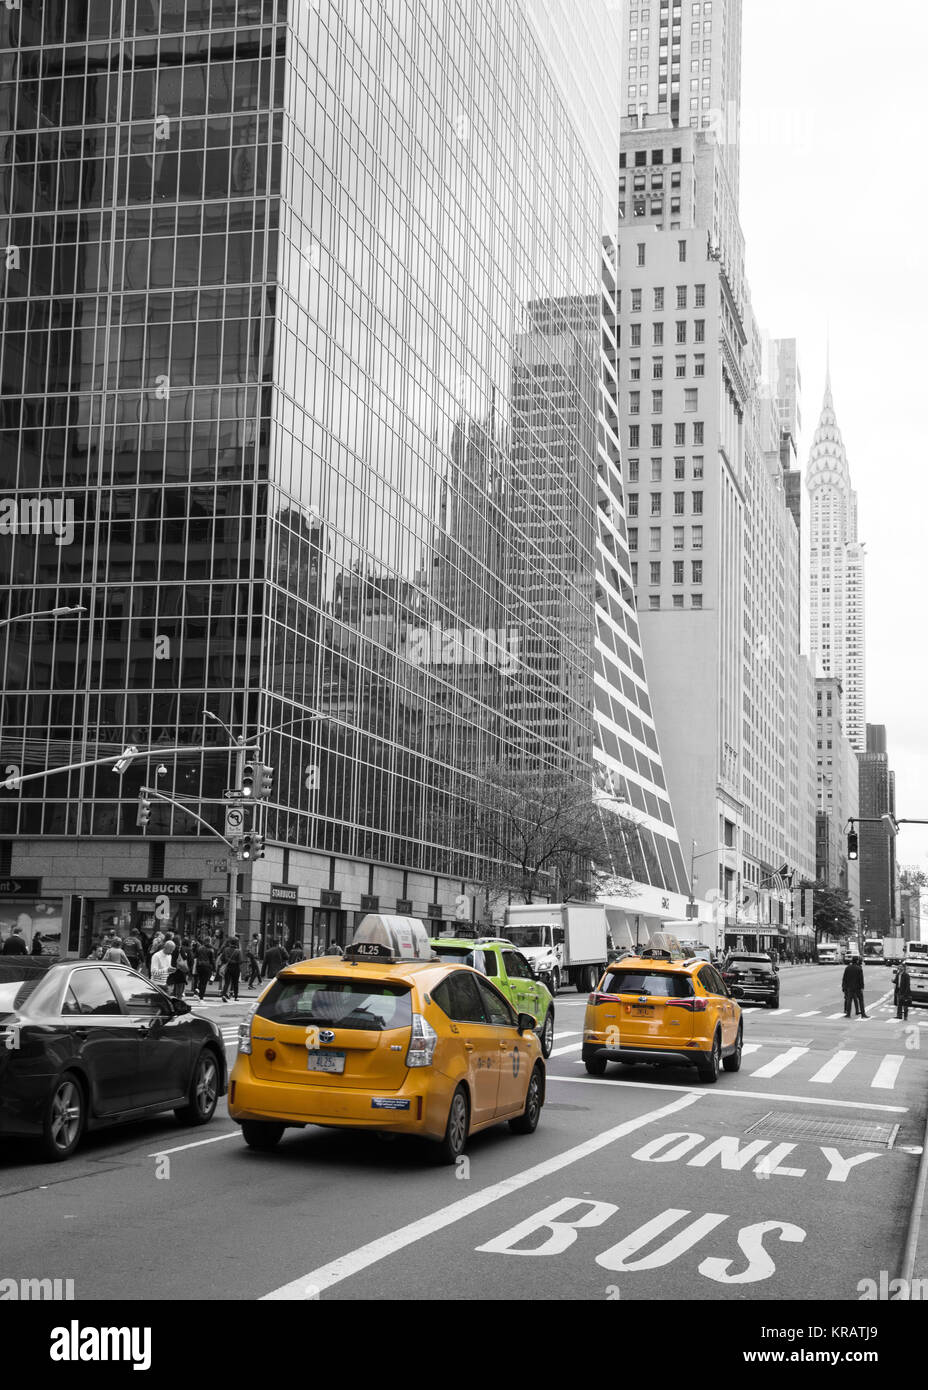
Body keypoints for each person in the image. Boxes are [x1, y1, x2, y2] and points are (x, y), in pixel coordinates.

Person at [194, 936, 215, 1001]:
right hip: (207, 967)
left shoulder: (199, 948)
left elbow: (195, 957)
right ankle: (201, 997)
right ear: (209, 941)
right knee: (204, 982)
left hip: (199, 966)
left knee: (200, 980)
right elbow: (212, 960)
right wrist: (214, 969)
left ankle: (197, 990)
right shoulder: (211, 949)